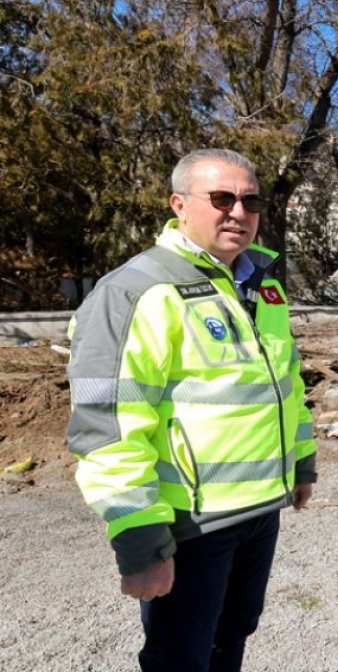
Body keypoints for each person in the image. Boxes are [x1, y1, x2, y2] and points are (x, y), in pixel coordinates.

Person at [66, 149, 317, 672]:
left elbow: (286, 383)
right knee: (179, 659)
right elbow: (108, 426)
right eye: (221, 198)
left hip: (258, 511)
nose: (238, 212)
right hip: (190, 524)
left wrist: (301, 463)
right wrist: (138, 539)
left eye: (250, 200)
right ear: (178, 204)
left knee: (232, 637)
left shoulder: (261, 284)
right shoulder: (138, 291)